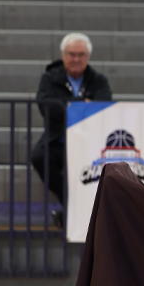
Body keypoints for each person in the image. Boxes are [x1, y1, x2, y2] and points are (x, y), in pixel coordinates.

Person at [32, 32, 112, 224]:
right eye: (71, 54)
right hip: (58, 139)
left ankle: (77, 212)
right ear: (63, 55)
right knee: (39, 157)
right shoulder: (50, 78)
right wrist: (81, 104)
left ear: (88, 56)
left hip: (89, 141)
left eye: (81, 55)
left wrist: (65, 107)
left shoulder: (98, 80)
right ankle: (72, 204)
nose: (76, 59)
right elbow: (47, 108)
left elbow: (102, 108)